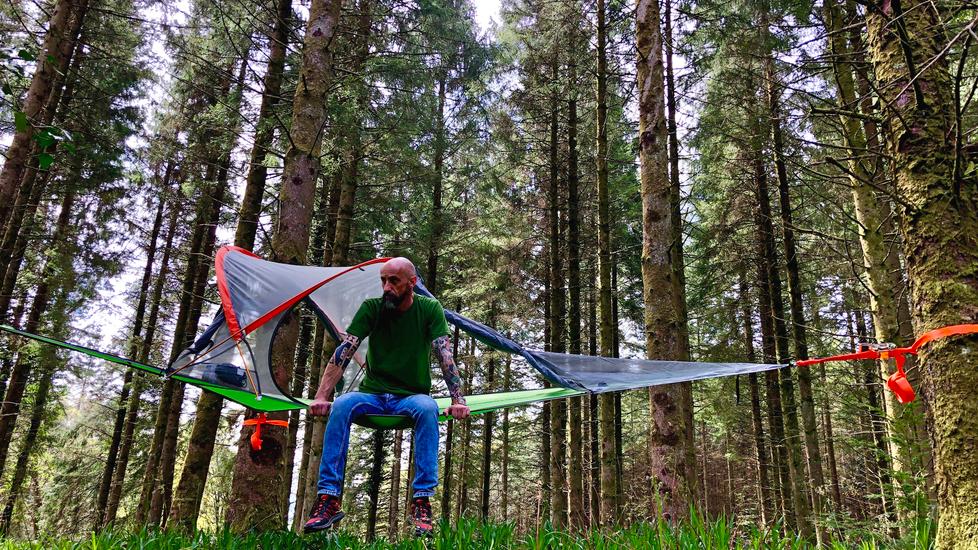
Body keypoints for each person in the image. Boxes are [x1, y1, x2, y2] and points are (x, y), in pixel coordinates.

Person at [303, 257, 470, 536]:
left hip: (411, 397)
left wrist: (458, 400)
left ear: (412, 283)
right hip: (373, 395)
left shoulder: (429, 309)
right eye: (383, 280)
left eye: (394, 281)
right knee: (342, 404)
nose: (387, 287)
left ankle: (421, 501)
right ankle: (328, 499)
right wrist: (322, 396)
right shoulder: (372, 308)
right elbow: (345, 351)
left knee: (428, 408)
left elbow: (445, 355)